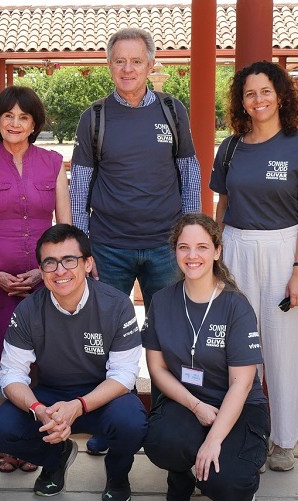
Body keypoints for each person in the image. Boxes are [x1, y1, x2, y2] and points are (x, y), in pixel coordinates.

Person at [69, 26, 201, 457]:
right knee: (105, 336)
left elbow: (190, 172)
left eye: (135, 61)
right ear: (109, 65)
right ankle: (109, 424)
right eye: (118, 61)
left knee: (169, 336)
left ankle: (165, 422)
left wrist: (191, 235)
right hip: (109, 245)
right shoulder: (96, 116)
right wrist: (82, 248)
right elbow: (81, 184)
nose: (127, 69)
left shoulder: (171, 110)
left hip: (164, 246)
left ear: (150, 64)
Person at [209, 61, 298, 473]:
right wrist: (214, 256)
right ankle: (246, 434)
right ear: (241, 101)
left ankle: (284, 440)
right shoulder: (232, 147)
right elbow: (221, 204)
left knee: (283, 347)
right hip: (236, 247)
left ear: (281, 95)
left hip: (284, 249)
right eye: (249, 94)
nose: (258, 100)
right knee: (239, 350)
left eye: (265, 92)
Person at [0, 224, 147, 501]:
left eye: (69, 260)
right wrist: (38, 410)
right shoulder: (27, 310)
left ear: (88, 264)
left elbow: (124, 375)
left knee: (131, 421)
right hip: (50, 396)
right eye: (50, 263)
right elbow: (11, 374)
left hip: (102, 396)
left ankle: (118, 476)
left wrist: (79, 405)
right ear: (41, 270)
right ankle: (55, 457)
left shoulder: (118, 305)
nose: (60, 271)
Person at [0, 85, 70, 474]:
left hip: (45, 280)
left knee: (41, 357)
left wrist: (44, 271)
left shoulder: (54, 163)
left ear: (35, 123)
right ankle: (9, 441)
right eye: (8, 115)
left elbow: (65, 227)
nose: (15, 123)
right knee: (3, 358)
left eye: (24, 117)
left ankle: (35, 438)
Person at [142, 214, 268, 501]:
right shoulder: (161, 301)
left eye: (201, 246)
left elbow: (242, 383)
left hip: (237, 407)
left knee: (230, 488)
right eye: (184, 247)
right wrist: (195, 405)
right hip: (187, 402)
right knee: (162, 441)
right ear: (175, 252)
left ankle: (220, 465)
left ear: (217, 251)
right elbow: (157, 368)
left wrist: (213, 441)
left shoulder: (236, 306)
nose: (192, 255)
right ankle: (182, 474)